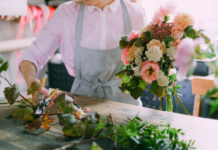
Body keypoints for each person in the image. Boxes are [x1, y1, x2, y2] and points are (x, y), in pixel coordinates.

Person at [19, 0, 147, 106]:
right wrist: (31, 79)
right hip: (80, 109)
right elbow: (35, 53)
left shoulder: (137, 14)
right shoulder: (66, 12)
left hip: (127, 109)